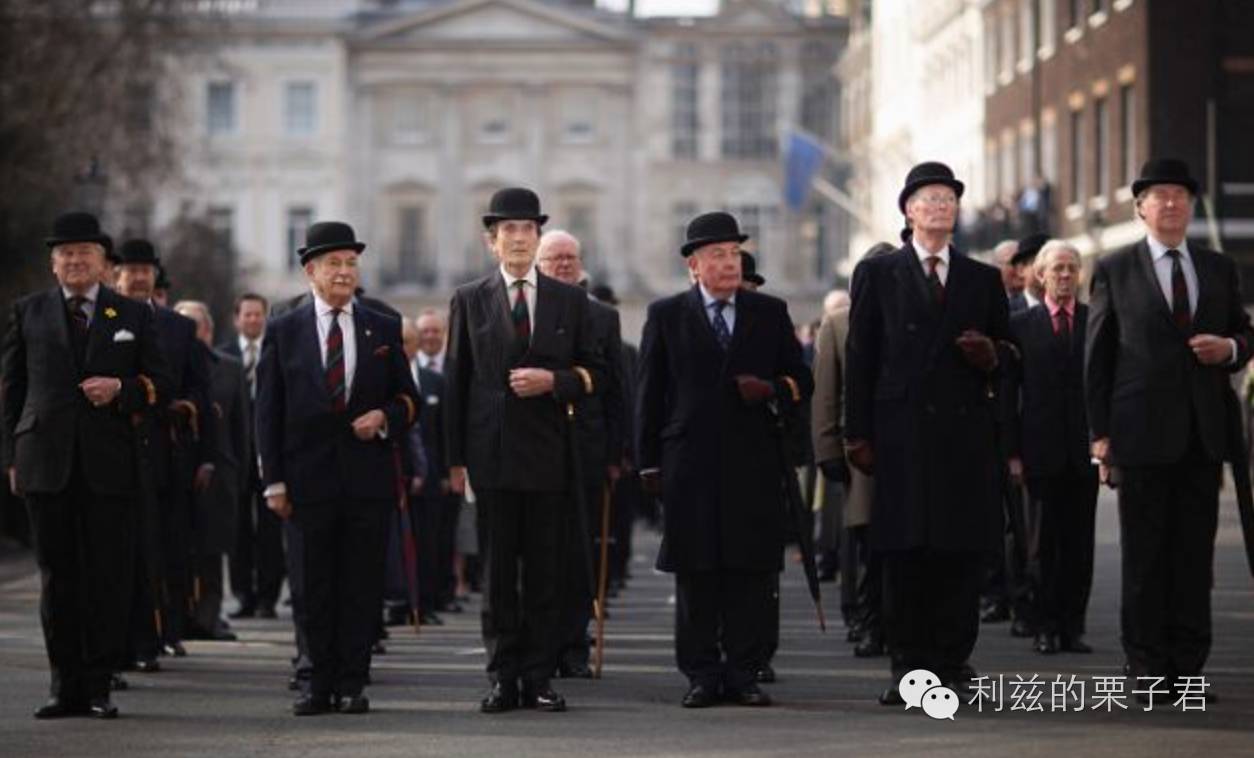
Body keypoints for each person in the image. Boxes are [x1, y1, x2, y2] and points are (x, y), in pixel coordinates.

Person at [1085, 158, 1254, 701]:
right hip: (1138, 436)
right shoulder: (1115, 268)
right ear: (1140, 207)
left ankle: (1188, 668)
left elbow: (1244, 335)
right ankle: (1147, 666)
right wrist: (1100, 435)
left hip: (1203, 438)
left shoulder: (1217, 268)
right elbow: (1098, 358)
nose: (1171, 203)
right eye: (1159, 195)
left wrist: (1228, 350)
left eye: (1180, 194)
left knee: (1192, 559)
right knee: (1144, 558)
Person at [844, 162, 1009, 704]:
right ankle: (910, 669)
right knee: (905, 554)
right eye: (929, 199)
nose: (941, 207)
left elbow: (1012, 355)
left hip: (964, 439)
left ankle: (953, 661)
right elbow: (861, 356)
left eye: (949, 199)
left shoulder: (982, 278)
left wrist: (993, 356)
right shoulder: (879, 274)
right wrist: (857, 434)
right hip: (901, 435)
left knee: (959, 553)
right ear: (909, 211)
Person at [636, 210, 812, 708]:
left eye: (735, 254)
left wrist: (772, 388)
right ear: (694, 265)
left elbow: (802, 379)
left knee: (750, 571)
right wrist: (648, 463)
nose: (729, 263)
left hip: (752, 460)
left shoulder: (769, 313)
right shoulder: (666, 315)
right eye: (717, 255)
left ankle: (743, 670)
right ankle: (701, 672)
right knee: (697, 572)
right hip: (689, 463)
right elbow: (650, 395)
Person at [2, 211, 169, 719]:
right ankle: (63, 686)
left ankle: (97, 685)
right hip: (46, 464)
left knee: (106, 578)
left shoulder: (132, 316)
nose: (75, 262)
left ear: (103, 263)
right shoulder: (27, 312)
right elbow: (11, 391)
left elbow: (159, 387)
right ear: (54, 265)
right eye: (66, 254)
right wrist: (11, 457)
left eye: (85, 254)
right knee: (57, 577)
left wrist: (121, 390)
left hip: (109, 466)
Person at [444, 187, 604, 714]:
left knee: (543, 573)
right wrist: (455, 460)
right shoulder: (470, 298)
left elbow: (594, 373)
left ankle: (538, 676)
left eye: (527, 229)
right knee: (495, 578)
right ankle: (502, 676)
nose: (518, 238)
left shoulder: (569, 299)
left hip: (548, 458)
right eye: (507, 230)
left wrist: (553, 382)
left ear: (538, 238)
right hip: (490, 457)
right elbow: (456, 382)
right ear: (492, 243)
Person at [255, 220, 420, 716]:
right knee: (310, 586)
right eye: (334, 263)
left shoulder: (383, 326)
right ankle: (314, 680)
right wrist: (273, 483)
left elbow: (410, 401)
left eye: (351, 263)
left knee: (360, 586)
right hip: (306, 483)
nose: (344, 272)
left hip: (367, 481)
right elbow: (268, 412)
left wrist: (385, 418)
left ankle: (351, 680)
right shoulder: (284, 329)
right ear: (311, 270)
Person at [115, 238, 215, 668]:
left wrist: (183, 408)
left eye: (146, 270)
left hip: (166, 455)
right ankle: (123, 642)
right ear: (116, 274)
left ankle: (160, 633)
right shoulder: (105, 317)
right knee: (122, 552)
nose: (138, 277)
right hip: (115, 451)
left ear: (155, 276)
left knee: (166, 550)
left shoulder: (178, 327)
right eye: (130, 269)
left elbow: (199, 387)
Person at [534, 229, 624, 680]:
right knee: (539, 552)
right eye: (554, 259)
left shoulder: (603, 317)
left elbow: (615, 390)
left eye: (570, 257)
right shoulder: (526, 311)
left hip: (585, 450)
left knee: (578, 555)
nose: (564, 265)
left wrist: (615, 454)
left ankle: (573, 644)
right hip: (536, 449)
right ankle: (540, 645)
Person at [1004, 241, 1097, 656]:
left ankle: (1072, 626)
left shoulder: (1095, 322)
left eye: (1072, 268)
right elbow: (1010, 394)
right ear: (1040, 275)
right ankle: (1044, 625)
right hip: (1037, 452)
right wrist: (1012, 452)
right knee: (1041, 545)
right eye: (1057, 268)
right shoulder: (1022, 325)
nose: (1065, 275)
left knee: (1079, 544)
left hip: (1083, 452)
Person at [175, 300, 248, 643]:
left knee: (212, 548)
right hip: (177, 469)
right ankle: (179, 616)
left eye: (195, 325)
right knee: (179, 548)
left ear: (208, 330)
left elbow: (241, 427)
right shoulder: (167, 366)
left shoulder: (230, 368)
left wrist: (241, 473)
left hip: (220, 471)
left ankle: (208, 616)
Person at [220, 293, 286, 621]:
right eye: (247, 315)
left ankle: (268, 597)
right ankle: (243, 594)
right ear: (237, 319)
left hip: (269, 456)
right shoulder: (223, 355)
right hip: (236, 458)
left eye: (258, 315)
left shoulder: (277, 352)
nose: (253, 320)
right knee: (238, 532)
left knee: (271, 533)